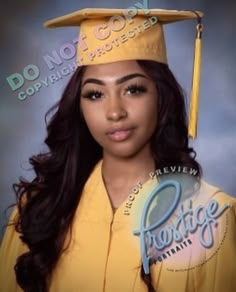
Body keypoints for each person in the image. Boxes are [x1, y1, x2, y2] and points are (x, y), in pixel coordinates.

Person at [0, 8, 236, 292]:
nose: (114, 112)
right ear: (79, 105)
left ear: (161, 96)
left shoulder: (212, 217)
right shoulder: (39, 208)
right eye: (95, 94)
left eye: (133, 89)